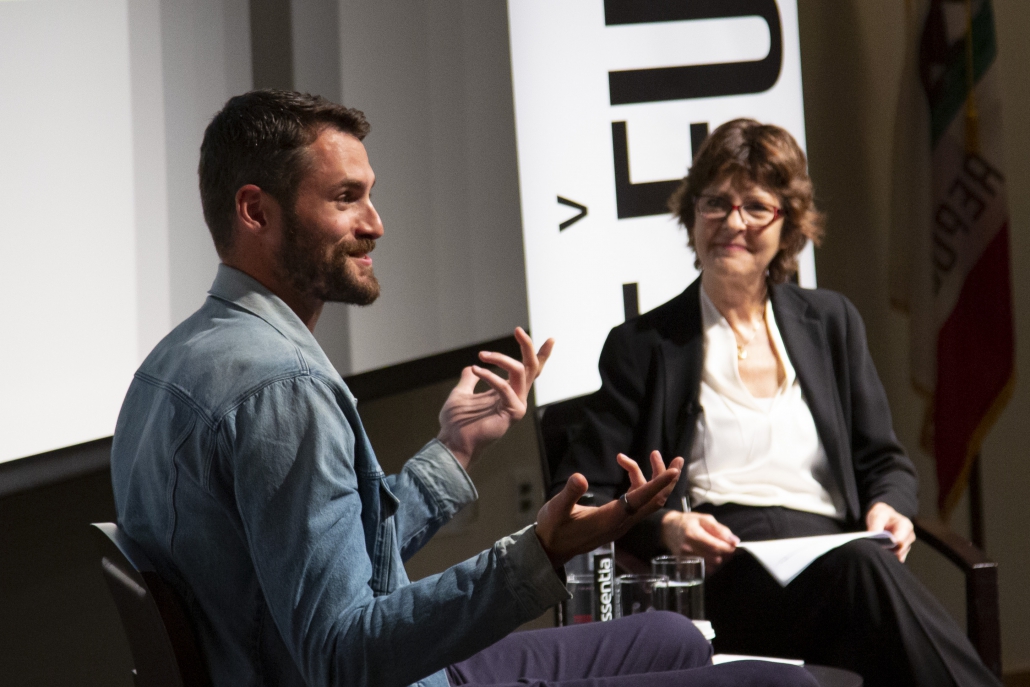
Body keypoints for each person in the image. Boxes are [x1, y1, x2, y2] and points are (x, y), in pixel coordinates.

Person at [109, 91, 817, 687]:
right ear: (256, 212)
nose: (375, 224)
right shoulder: (284, 389)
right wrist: (537, 552)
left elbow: (323, 572)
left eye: (371, 196)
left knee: (674, 636)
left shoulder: (172, 364)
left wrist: (452, 452)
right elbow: (345, 655)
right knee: (783, 681)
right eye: (346, 199)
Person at [553, 118, 1002, 687]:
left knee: (866, 579)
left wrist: (891, 507)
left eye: (756, 206)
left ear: (787, 224)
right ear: (691, 216)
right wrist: (664, 528)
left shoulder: (832, 321)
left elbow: (885, 463)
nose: (733, 222)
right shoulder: (643, 346)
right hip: (725, 574)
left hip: (833, 562)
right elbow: (587, 493)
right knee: (868, 585)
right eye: (715, 203)